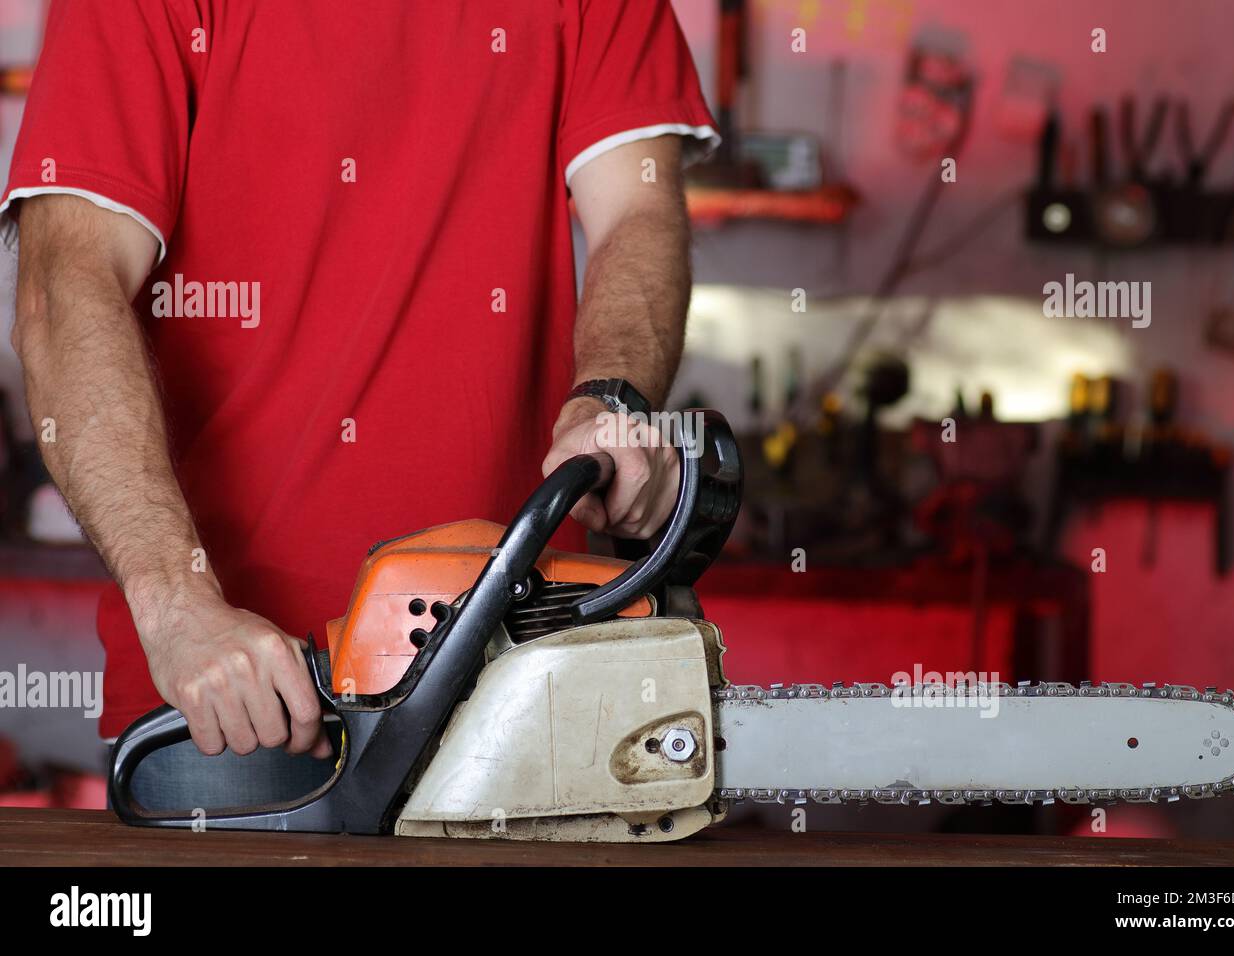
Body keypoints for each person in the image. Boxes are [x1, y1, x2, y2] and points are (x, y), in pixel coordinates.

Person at [2, 0, 717, 806]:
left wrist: (609, 398)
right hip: (243, 693)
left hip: (525, 661)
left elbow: (637, 209)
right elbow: (68, 287)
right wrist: (176, 608)